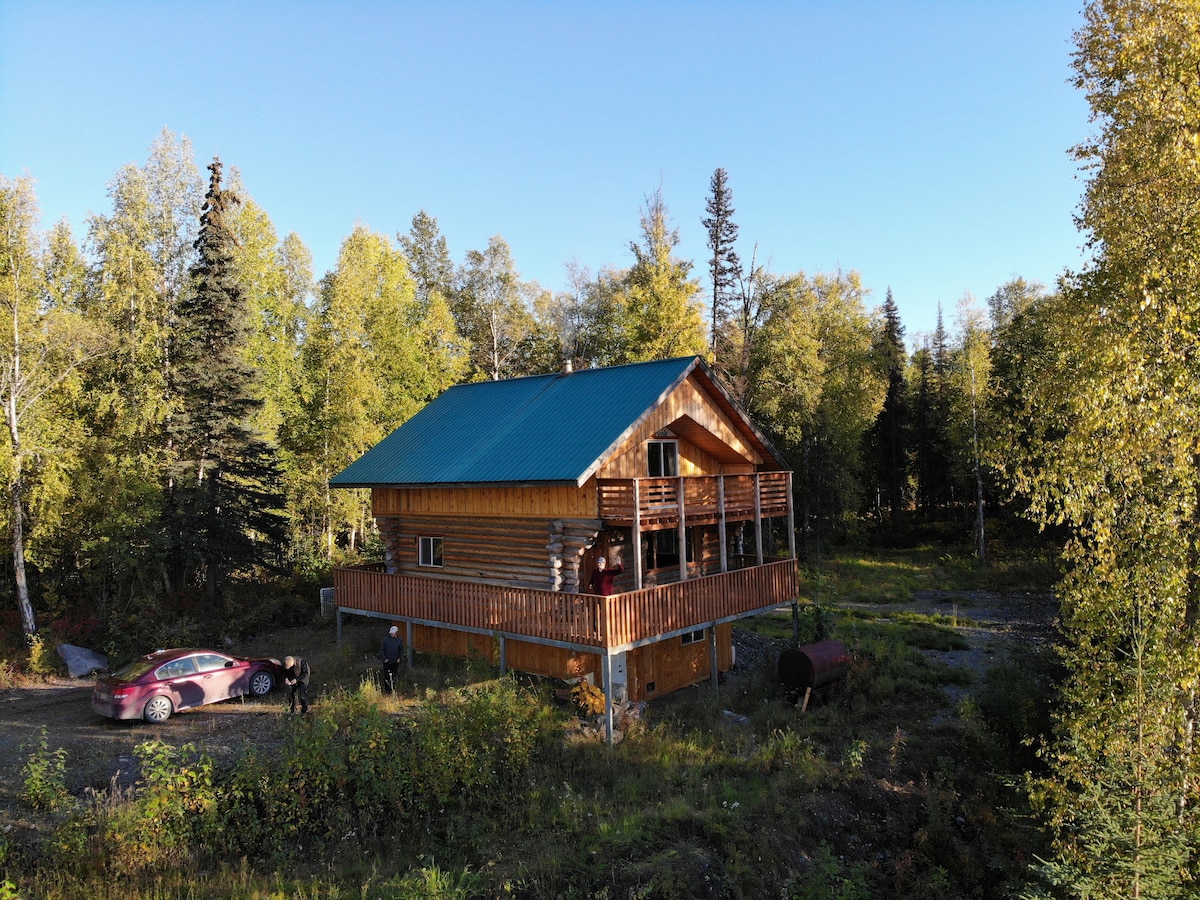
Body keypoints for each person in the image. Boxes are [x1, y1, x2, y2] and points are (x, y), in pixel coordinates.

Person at [379, 624, 404, 693]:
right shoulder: (385, 640)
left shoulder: (399, 640)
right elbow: (382, 650)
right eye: (391, 633)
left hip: (395, 661)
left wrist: (399, 658)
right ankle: (387, 690)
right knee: (387, 676)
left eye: (393, 633)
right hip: (387, 661)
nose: (392, 634)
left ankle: (393, 688)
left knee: (394, 675)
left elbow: (401, 650)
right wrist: (384, 659)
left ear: (396, 633)